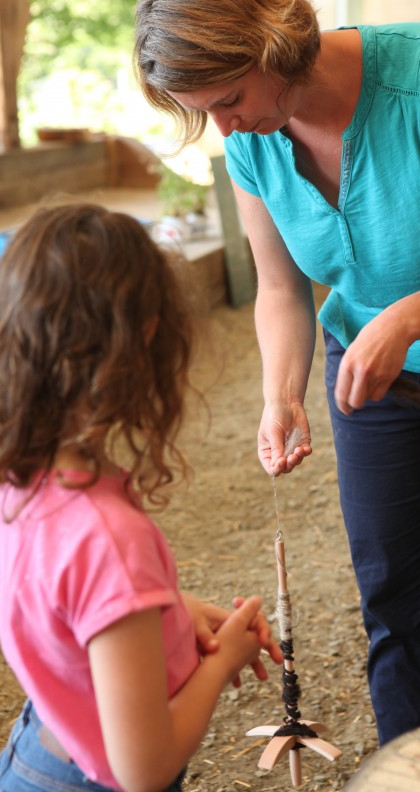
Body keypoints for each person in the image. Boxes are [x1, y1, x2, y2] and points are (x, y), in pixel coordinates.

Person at [134, 0, 420, 747]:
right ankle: (406, 769)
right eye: (205, 112)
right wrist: (280, 395)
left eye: (228, 100)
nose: (224, 128)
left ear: (273, 46)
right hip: (369, 362)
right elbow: (280, 288)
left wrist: (404, 320)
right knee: (391, 598)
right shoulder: (252, 140)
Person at [0, 203, 283, 792]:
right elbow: (143, 768)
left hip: (36, 753)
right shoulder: (108, 536)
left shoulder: (17, 479)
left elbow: (65, 613)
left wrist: (169, 613)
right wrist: (222, 661)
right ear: (149, 334)